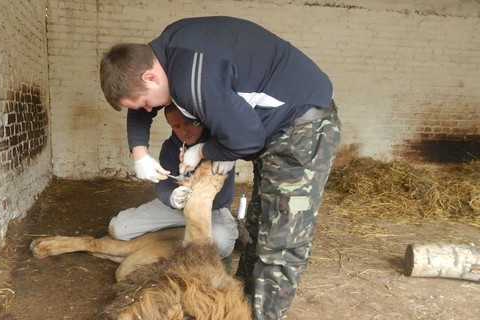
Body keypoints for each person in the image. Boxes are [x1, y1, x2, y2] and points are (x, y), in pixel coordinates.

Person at [99, 16, 342, 319]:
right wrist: (139, 153)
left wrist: (202, 150)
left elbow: (247, 140)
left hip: (302, 126)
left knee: (281, 238)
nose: (149, 110)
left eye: (145, 103)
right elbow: (146, 105)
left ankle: (262, 315)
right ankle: (236, 301)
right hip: (274, 127)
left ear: (150, 77)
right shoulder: (167, 49)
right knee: (258, 224)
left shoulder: (193, 81)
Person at [108, 104, 239, 260]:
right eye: (176, 126)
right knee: (118, 229)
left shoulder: (219, 145)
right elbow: (163, 186)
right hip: (175, 210)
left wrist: (217, 153)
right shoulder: (170, 147)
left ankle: (181, 234)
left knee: (221, 245)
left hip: (211, 211)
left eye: (188, 123)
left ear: (198, 120)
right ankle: (181, 232)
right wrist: (172, 197)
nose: (184, 131)